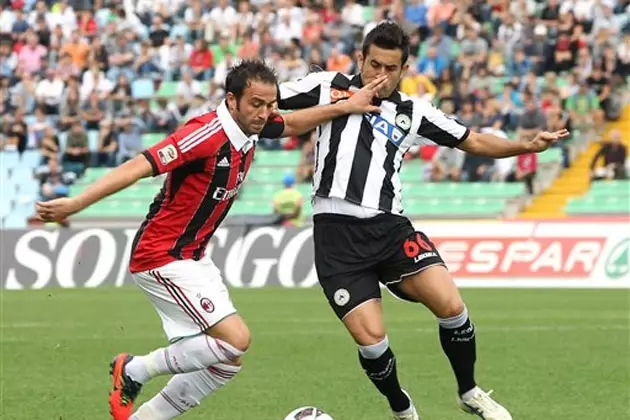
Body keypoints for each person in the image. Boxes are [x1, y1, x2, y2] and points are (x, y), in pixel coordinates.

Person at [34, 60, 387, 420]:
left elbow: (293, 123)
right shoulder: (205, 134)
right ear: (232, 100)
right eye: (256, 104)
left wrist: (347, 106)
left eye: (270, 104)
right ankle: (134, 369)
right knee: (236, 339)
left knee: (225, 363)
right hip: (161, 255)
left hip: (194, 257)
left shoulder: (250, 127)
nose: (265, 113)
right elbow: (139, 165)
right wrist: (76, 203)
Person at [277, 22, 569, 420]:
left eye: (390, 69)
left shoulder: (413, 113)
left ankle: (469, 391)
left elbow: (473, 140)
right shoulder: (328, 86)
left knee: (451, 304)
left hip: (390, 229)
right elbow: (269, 98)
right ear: (360, 58)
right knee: (372, 341)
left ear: (404, 69)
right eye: (374, 65)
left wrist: (525, 146)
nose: (380, 76)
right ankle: (402, 408)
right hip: (337, 237)